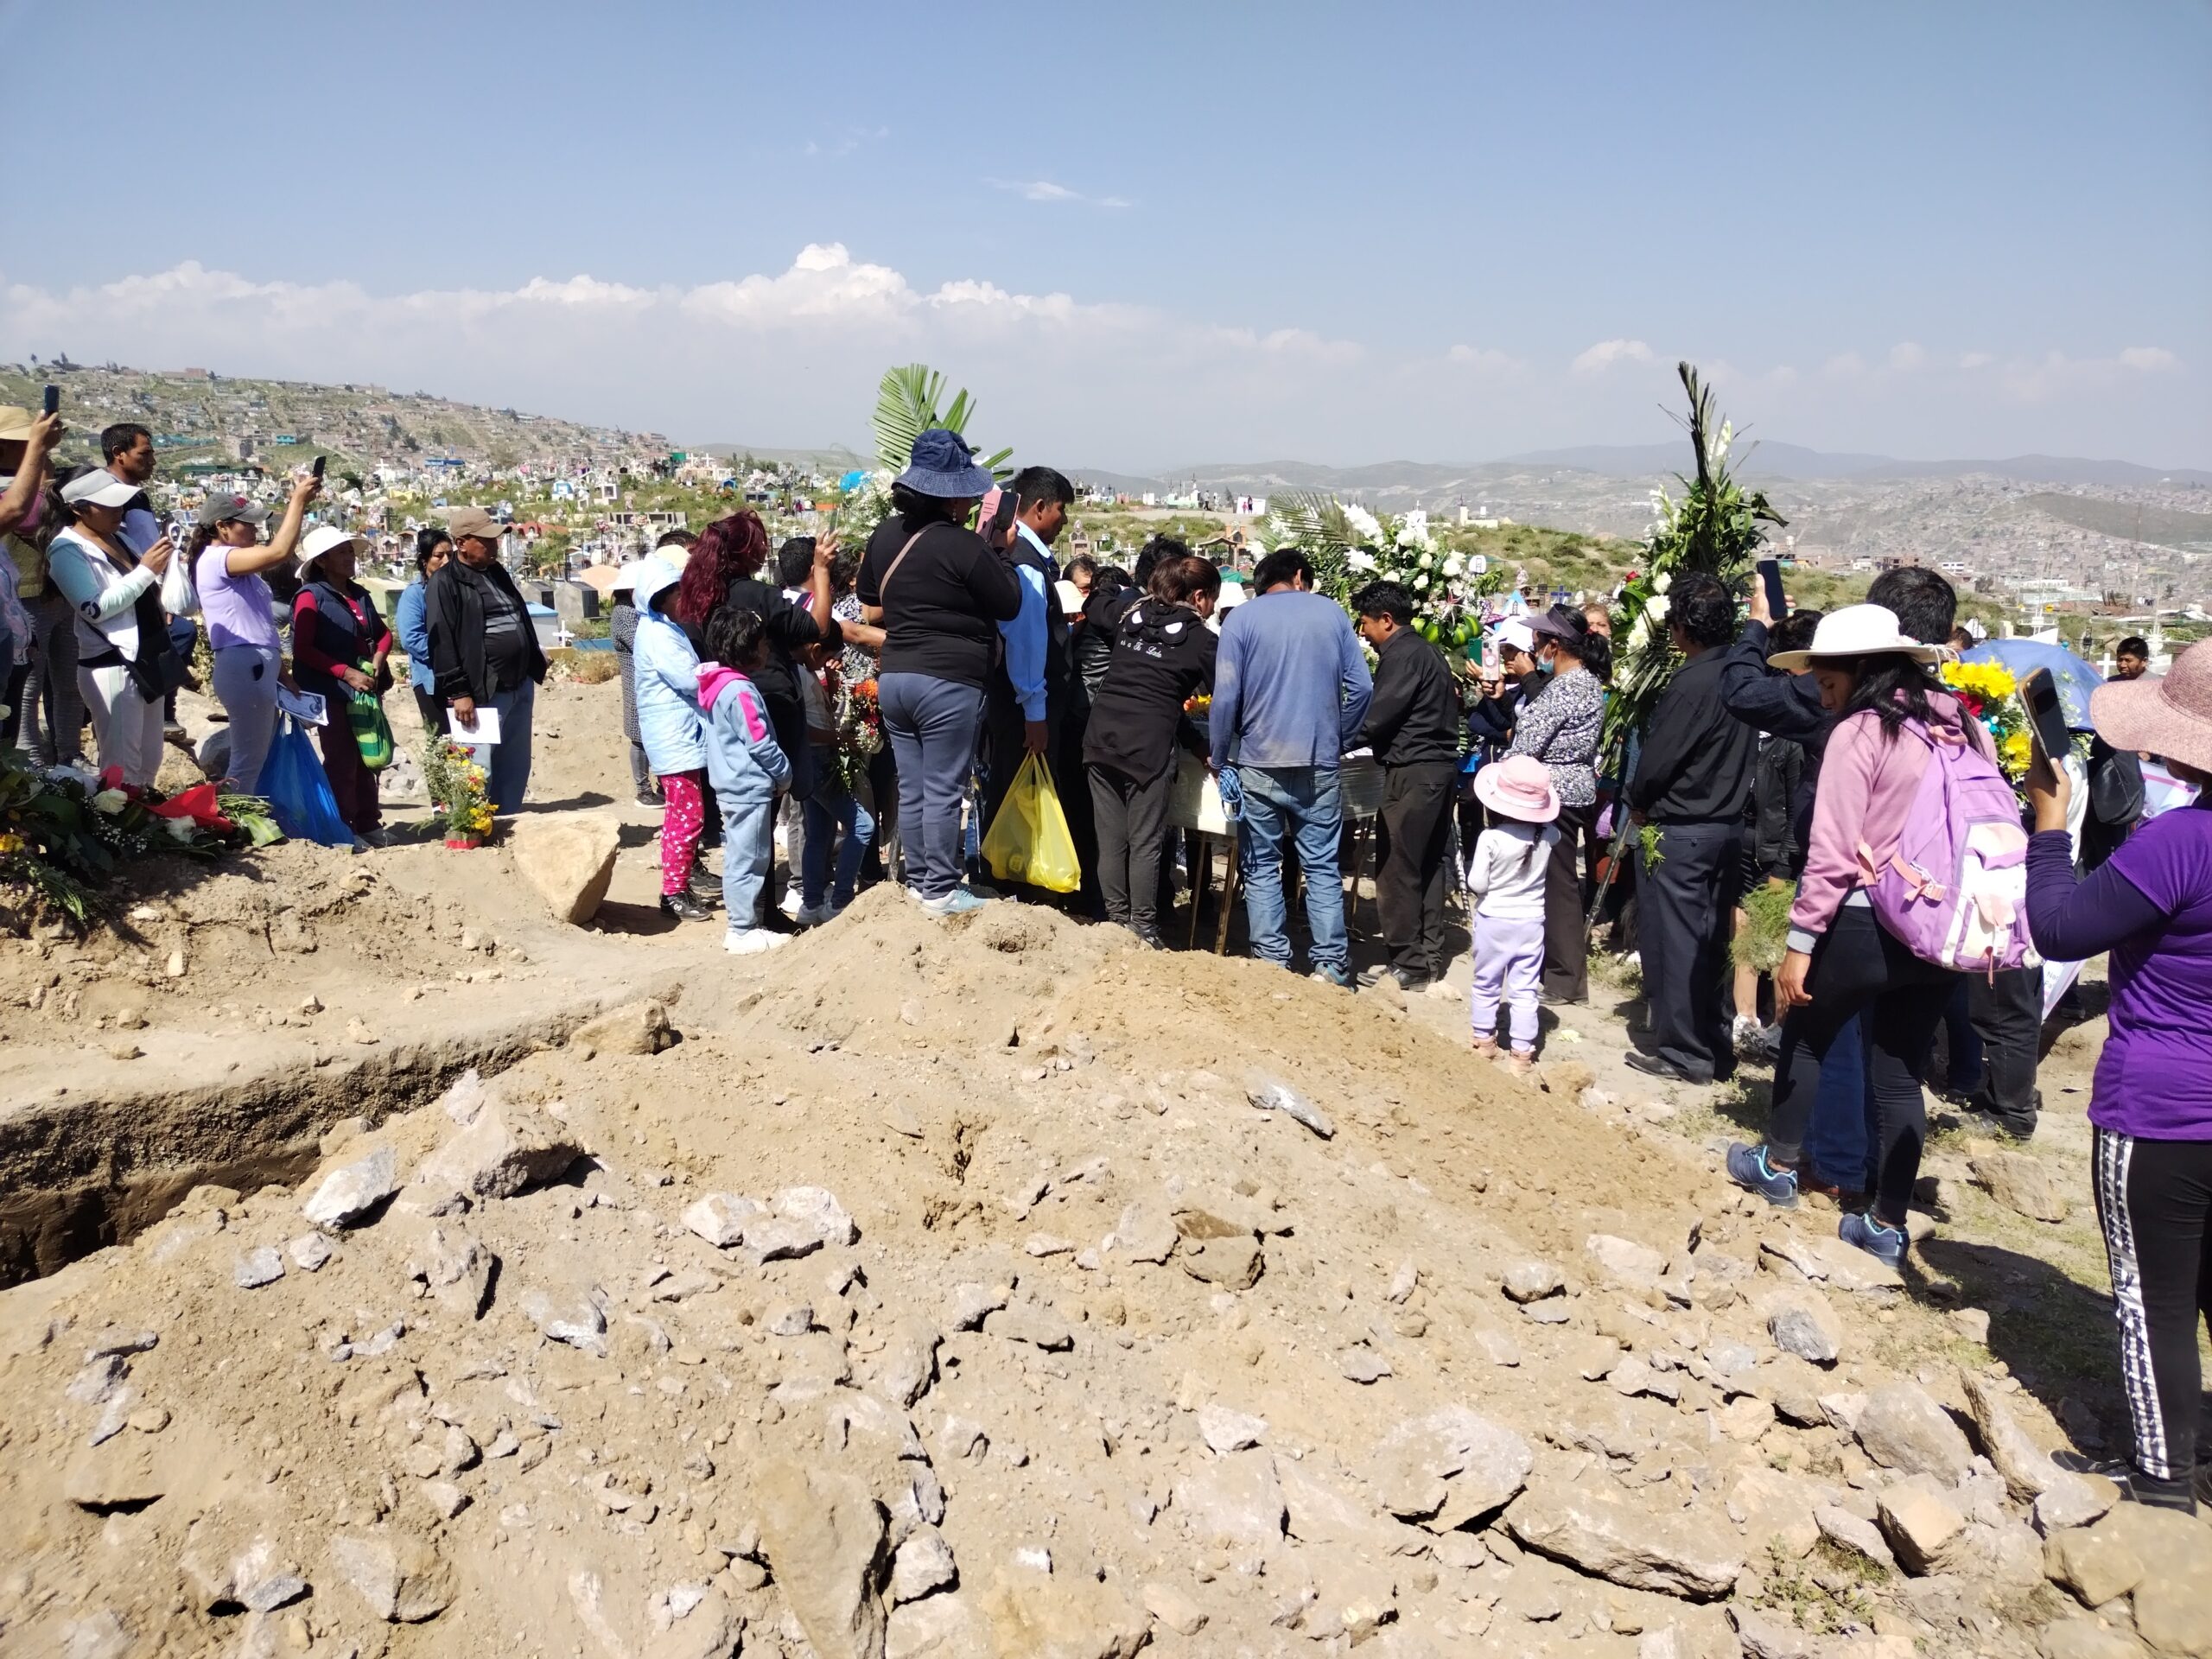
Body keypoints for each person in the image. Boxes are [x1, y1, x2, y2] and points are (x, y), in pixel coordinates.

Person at [1726, 603, 1988, 1267]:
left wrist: (1799, 946)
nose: (1817, 685)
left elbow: (1833, 851)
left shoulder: (1862, 732)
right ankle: (1886, 1223)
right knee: (1899, 1073)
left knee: (1808, 1035)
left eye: (1825, 672)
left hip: (1869, 916)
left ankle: (1779, 1165)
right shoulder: (1958, 722)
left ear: (1862, 666)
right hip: (1939, 924)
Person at [2021, 639, 2212, 1514]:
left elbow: (2059, 930)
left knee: (2152, 1297)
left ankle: (2163, 1479)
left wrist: (2049, 824)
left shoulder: (2179, 845)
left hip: (2160, 1107)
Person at [855, 429, 1021, 917]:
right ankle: (943, 891)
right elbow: (1008, 602)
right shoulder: (966, 546)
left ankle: (923, 881)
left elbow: (870, 605)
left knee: (914, 785)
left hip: (897, 676)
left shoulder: (885, 535)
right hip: (949, 680)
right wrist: (1001, 552)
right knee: (946, 788)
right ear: (952, 495)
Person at [1209, 548, 1374, 986]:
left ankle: (1272, 965)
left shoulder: (1240, 621)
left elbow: (1225, 697)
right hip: (1319, 762)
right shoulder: (1333, 615)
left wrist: (1220, 755)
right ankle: (1331, 968)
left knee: (1261, 864)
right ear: (1300, 576)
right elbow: (1361, 688)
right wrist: (1341, 738)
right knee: (1320, 866)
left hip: (1259, 763)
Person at [1624, 572, 1758, 1083]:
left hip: (1681, 831)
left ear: (1681, 628)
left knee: (1676, 942)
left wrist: (1638, 800)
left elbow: (1659, 759)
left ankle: (1684, 1052)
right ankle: (1714, 1043)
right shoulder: (1742, 673)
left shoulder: (1692, 682)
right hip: (1724, 827)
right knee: (1710, 941)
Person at [1085, 554, 1220, 945]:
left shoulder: (1130, 616)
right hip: (1148, 748)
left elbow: (1094, 606)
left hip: (1101, 738)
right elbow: (1232, 696)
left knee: (1110, 839)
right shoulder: (1201, 641)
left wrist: (1109, 588)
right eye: (1212, 599)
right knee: (1145, 841)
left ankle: (1114, 922)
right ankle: (1142, 928)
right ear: (1199, 597)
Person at [1353, 580, 1461, 995]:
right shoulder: (1428, 652)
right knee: (1427, 864)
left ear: (1387, 620)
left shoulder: (1403, 655)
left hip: (1413, 771)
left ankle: (1407, 960)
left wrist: (1334, 740)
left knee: (1398, 867)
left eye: (1366, 624)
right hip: (1437, 770)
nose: (1364, 633)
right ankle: (1427, 956)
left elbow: (1378, 718)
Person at [983, 467, 1081, 898]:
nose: (1063, 521)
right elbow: (1026, 645)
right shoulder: (1026, 564)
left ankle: (1010, 884)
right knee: (1020, 800)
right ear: (1040, 507)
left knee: (1012, 794)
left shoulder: (1016, 553)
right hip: (1023, 710)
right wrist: (1036, 713)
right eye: (1061, 510)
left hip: (1014, 707)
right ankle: (1019, 891)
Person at [45, 469, 178, 785]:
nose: (118, 512)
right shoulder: (67, 549)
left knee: (148, 761)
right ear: (78, 509)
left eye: (120, 505)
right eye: (108, 506)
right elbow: (95, 607)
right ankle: (116, 828)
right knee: (121, 769)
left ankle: (143, 826)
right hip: (112, 664)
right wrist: (146, 571)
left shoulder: (120, 537)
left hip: (147, 656)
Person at [1508, 607, 1609, 1003]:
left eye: (1537, 642)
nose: (1533, 650)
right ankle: (1557, 972)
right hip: (1568, 791)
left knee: (1557, 886)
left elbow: (1528, 742)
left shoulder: (1567, 687)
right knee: (1556, 882)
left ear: (1554, 645)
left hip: (1555, 794)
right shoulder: (1579, 683)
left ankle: (1565, 979)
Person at [194, 475, 318, 792]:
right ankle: (236, 824)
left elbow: (258, 625)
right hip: (244, 665)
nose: (254, 530)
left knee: (256, 757)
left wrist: (283, 676)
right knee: (247, 761)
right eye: (246, 525)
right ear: (222, 527)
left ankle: (245, 819)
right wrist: (298, 502)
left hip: (254, 667)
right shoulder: (218, 559)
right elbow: (279, 552)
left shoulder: (232, 564)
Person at [428, 505, 548, 814]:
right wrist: (459, 693)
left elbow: (517, 615)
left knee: (514, 761)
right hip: (482, 689)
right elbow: (442, 641)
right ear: (462, 542)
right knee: (478, 766)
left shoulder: (496, 572)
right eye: (486, 540)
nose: (494, 546)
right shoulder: (445, 582)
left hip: (519, 682)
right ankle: (473, 826)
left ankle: (506, 821)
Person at [697, 606, 791, 955]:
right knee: (749, 860)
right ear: (745, 647)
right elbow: (760, 741)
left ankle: (744, 925)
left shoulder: (717, 685)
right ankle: (742, 929)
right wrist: (784, 773)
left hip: (730, 784)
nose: (767, 650)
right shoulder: (741, 691)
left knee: (741, 856)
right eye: (763, 644)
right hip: (749, 786)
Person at [290, 525, 392, 842]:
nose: (350, 558)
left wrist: (377, 661)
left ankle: (368, 823)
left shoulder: (358, 594)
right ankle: (344, 826)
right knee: (341, 759)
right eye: (342, 553)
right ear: (321, 561)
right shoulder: (310, 598)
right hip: (330, 692)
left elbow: (383, 633)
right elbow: (303, 649)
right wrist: (346, 673)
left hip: (363, 689)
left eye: (350, 551)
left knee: (367, 755)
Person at [1466, 754, 1562, 1077]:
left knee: (1486, 984)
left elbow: (1477, 883)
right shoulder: (1548, 837)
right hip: (1531, 922)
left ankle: (1484, 1042)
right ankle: (1522, 1054)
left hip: (1494, 920)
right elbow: (1554, 832)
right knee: (1524, 990)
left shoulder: (1490, 838)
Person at [631, 558, 713, 921]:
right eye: (680, 593)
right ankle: (673, 891)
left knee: (686, 814)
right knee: (687, 816)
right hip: (674, 737)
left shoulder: (665, 628)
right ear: (661, 597)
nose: (686, 599)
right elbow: (688, 679)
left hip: (679, 735)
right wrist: (718, 674)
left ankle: (679, 883)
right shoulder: (658, 634)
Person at [1, 405, 71, 760]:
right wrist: (39, 459)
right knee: (28, 685)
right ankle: (28, 756)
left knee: (64, 681)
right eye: (22, 442)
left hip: (48, 595)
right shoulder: (13, 491)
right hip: (27, 598)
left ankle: (65, 752)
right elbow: (23, 516)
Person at [794, 639, 874, 924]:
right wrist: (838, 737)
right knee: (863, 825)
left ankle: (813, 903)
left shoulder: (804, 673)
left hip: (815, 759)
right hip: (816, 759)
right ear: (815, 649)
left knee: (820, 832)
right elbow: (802, 727)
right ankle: (840, 901)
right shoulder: (800, 675)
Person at [392, 527, 452, 744]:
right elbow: (412, 639)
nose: (446, 561)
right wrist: (450, 657)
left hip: (462, 678)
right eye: (439, 556)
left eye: (450, 555)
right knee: (442, 743)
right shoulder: (415, 594)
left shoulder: (458, 590)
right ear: (424, 560)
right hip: (431, 681)